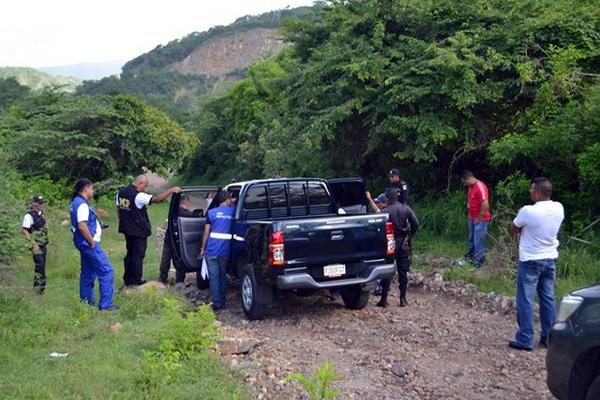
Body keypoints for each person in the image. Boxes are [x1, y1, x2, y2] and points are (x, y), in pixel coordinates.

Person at [509, 177, 564, 351]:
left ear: (538, 193)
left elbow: (513, 228)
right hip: (550, 258)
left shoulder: (528, 211)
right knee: (548, 298)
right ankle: (549, 337)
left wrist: (522, 229)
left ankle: (525, 338)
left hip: (531, 259)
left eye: (532, 190)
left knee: (526, 299)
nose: (530, 192)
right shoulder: (559, 208)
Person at [116, 175, 181, 286]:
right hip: (138, 232)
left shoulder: (120, 193)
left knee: (130, 254)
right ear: (140, 183)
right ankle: (136, 280)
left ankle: (127, 279)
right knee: (138, 255)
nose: (145, 189)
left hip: (127, 230)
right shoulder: (139, 196)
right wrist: (171, 190)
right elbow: (156, 200)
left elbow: (119, 209)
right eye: (145, 186)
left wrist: (124, 222)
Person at [70, 179, 115, 310]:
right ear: (86, 189)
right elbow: (82, 226)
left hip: (81, 242)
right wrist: (91, 241)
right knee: (107, 271)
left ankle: (86, 303)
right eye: (92, 189)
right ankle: (106, 306)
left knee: (88, 272)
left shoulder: (75, 203)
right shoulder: (82, 205)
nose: (93, 191)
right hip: (88, 244)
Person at [377, 188, 419, 307]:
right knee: (403, 272)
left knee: (387, 271)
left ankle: (384, 299)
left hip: (390, 242)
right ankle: (403, 299)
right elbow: (416, 224)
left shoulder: (385, 211)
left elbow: (380, 229)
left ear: (387, 198)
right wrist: (409, 235)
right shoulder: (405, 209)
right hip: (404, 243)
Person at [200, 191, 234, 311]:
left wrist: (203, 249)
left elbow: (206, 233)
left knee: (214, 276)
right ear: (228, 200)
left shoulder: (211, 213)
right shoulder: (233, 212)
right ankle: (223, 300)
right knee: (222, 275)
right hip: (225, 250)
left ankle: (216, 302)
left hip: (211, 249)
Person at [158, 194, 195, 284]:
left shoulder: (173, 211)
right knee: (180, 259)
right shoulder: (188, 214)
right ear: (186, 202)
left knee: (165, 258)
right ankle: (179, 281)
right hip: (180, 240)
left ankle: (163, 278)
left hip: (169, 237)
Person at [461, 170, 491, 268]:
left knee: (479, 241)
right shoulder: (471, 187)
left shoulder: (480, 186)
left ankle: (479, 264)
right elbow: (471, 201)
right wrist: (470, 214)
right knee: (471, 240)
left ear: (469, 178)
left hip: (481, 220)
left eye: (465, 182)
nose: (465, 184)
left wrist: (479, 217)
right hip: (472, 218)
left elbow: (485, 204)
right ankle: (470, 257)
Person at [21, 196, 49, 294]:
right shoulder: (28, 216)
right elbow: (24, 230)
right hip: (35, 245)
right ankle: (40, 289)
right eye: (40, 203)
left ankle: (38, 288)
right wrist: (33, 243)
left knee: (42, 265)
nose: (42, 205)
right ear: (34, 204)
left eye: (42, 203)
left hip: (44, 243)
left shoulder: (42, 214)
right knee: (39, 264)